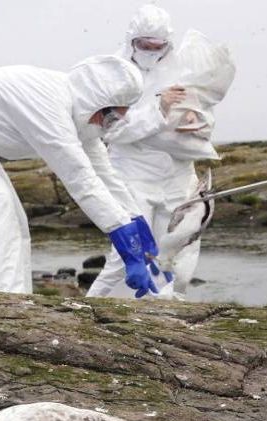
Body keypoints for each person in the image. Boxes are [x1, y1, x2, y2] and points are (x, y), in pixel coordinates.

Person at [0, 55, 160, 298]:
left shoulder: (78, 116)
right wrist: (126, 243)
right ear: (95, 101)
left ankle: (17, 299)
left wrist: (137, 222)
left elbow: (106, 176)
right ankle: (0, 301)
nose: (111, 126)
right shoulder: (49, 104)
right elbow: (81, 179)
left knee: (16, 221)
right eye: (112, 117)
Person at [87, 4, 235, 299]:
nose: (153, 51)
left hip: (177, 175)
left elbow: (202, 108)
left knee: (177, 248)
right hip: (131, 173)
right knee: (128, 250)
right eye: (145, 45)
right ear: (132, 40)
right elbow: (112, 130)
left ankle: (166, 310)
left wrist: (194, 119)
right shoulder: (112, 74)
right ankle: (91, 307)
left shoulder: (182, 67)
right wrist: (159, 108)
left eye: (159, 46)